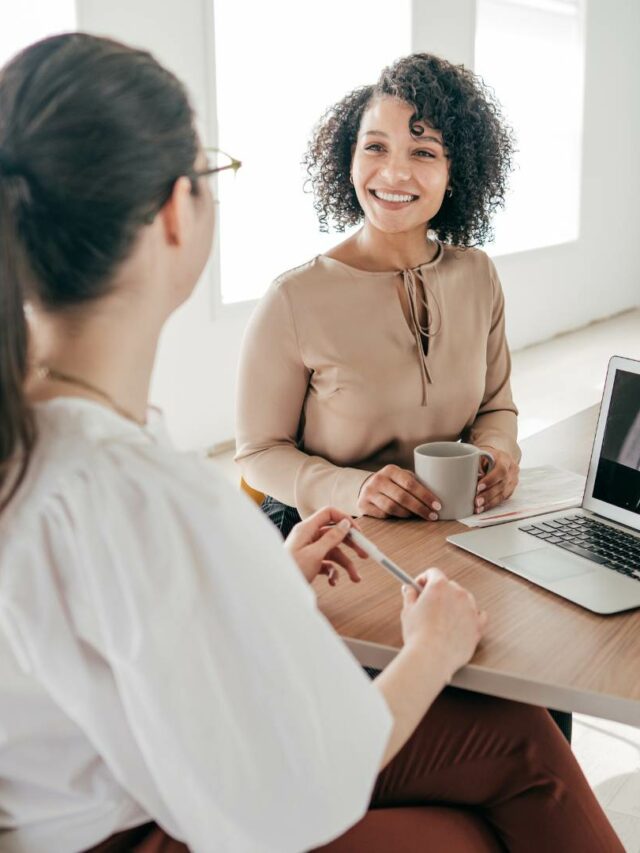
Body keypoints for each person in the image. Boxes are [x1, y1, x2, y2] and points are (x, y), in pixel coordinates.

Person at [0, 33, 622, 853]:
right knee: (496, 797)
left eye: (423, 150)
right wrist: (433, 648)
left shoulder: (55, 449)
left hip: (125, 796)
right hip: (152, 826)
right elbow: (291, 792)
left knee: (517, 743)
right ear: (176, 212)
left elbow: (132, 645)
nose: (395, 170)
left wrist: (266, 581)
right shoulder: (151, 488)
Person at [236, 53, 521, 539]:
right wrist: (357, 488)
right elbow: (258, 454)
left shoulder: (477, 275)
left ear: (455, 171)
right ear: (349, 160)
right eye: (375, 147)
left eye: (423, 153)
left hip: (439, 525)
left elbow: (495, 407)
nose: (393, 174)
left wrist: (498, 454)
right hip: (321, 533)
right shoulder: (293, 298)